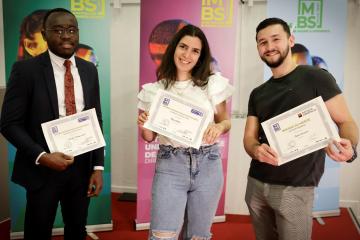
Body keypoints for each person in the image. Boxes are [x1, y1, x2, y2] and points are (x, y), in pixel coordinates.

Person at [243, 17, 358, 240]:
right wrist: (256, 149)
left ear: (291, 40)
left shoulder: (316, 77)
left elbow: (346, 122)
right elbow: (249, 138)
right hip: (256, 184)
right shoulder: (258, 93)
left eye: (275, 39)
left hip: (296, 188)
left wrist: (350, 146)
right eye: (262, 42)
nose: (269, 47)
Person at [0, 8, 104, 240]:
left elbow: (95, 119)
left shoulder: (88, 70)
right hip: (42, 169)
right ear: (45, 35)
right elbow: (9, 124)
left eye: (71, 30)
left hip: (81, 167)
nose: (66, 35)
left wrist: (97, 167)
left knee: (77, 229)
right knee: (38, 232)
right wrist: (43, 156)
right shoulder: (26, 71)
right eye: (57, 30)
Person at [137, 24, 233, 240]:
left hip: (208, 163)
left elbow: (225, 121)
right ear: (174, 48)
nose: (187, 54)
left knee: (198, 236)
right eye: (183, 46)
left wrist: (219, 127)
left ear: (201, 56)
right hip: (171, 164)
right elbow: (149, 137)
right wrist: (144, 124)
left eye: (195, 50)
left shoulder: (212, 85)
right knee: (163, 236)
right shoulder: (154, 91)